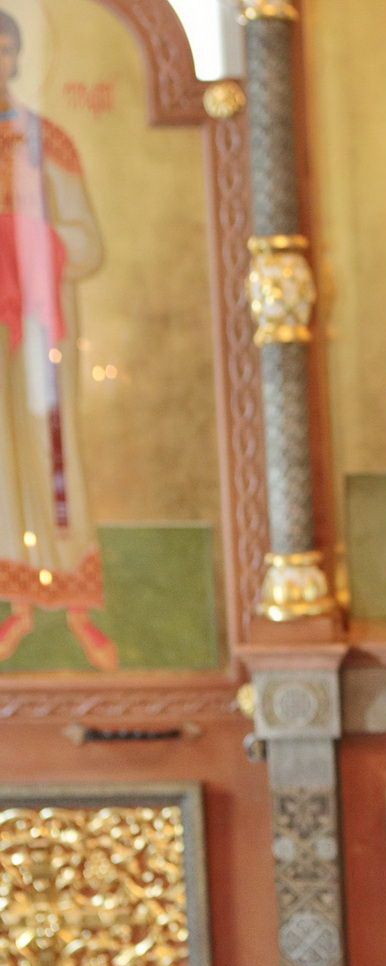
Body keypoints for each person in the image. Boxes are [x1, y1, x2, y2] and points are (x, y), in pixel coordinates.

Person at [0, 7, 114, 670]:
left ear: (18, 58)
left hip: (42, 328)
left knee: (52, 450)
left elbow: (88, 243)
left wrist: (28, 238)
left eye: (3, 51)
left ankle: (74, 603)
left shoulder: (51, 144)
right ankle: (16, 605)